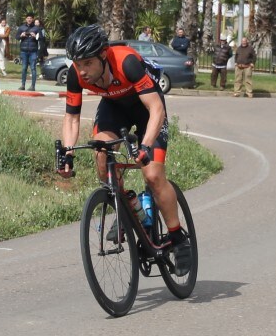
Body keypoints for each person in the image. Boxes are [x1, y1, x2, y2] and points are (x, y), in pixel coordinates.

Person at [55, 24, 192, 273]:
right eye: (78, 63)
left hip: (146, 108)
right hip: (114, 107)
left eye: (87, 63)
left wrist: (146, 145)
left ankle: (178, 237)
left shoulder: (127, 62)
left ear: (103, 55)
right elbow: (72, 118)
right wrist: (68, 153)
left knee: (152, 174)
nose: (82, 71)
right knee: (101, 154)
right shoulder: (76, 74)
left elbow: (156, 109)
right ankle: (126, 204)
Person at [15, 13, 41, 90]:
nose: (29, 19)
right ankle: (23, 85)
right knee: (24, 68)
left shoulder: (36, 28)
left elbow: (42, 39)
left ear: (33, 19)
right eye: (28, 18)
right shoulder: (21, 27)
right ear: (26, 19)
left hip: (33, 51)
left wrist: (35, 36)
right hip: (24, 51)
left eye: (30, 18)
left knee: (33, 68)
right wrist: (21, 35)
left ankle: (33, 86)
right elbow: (16, 37)